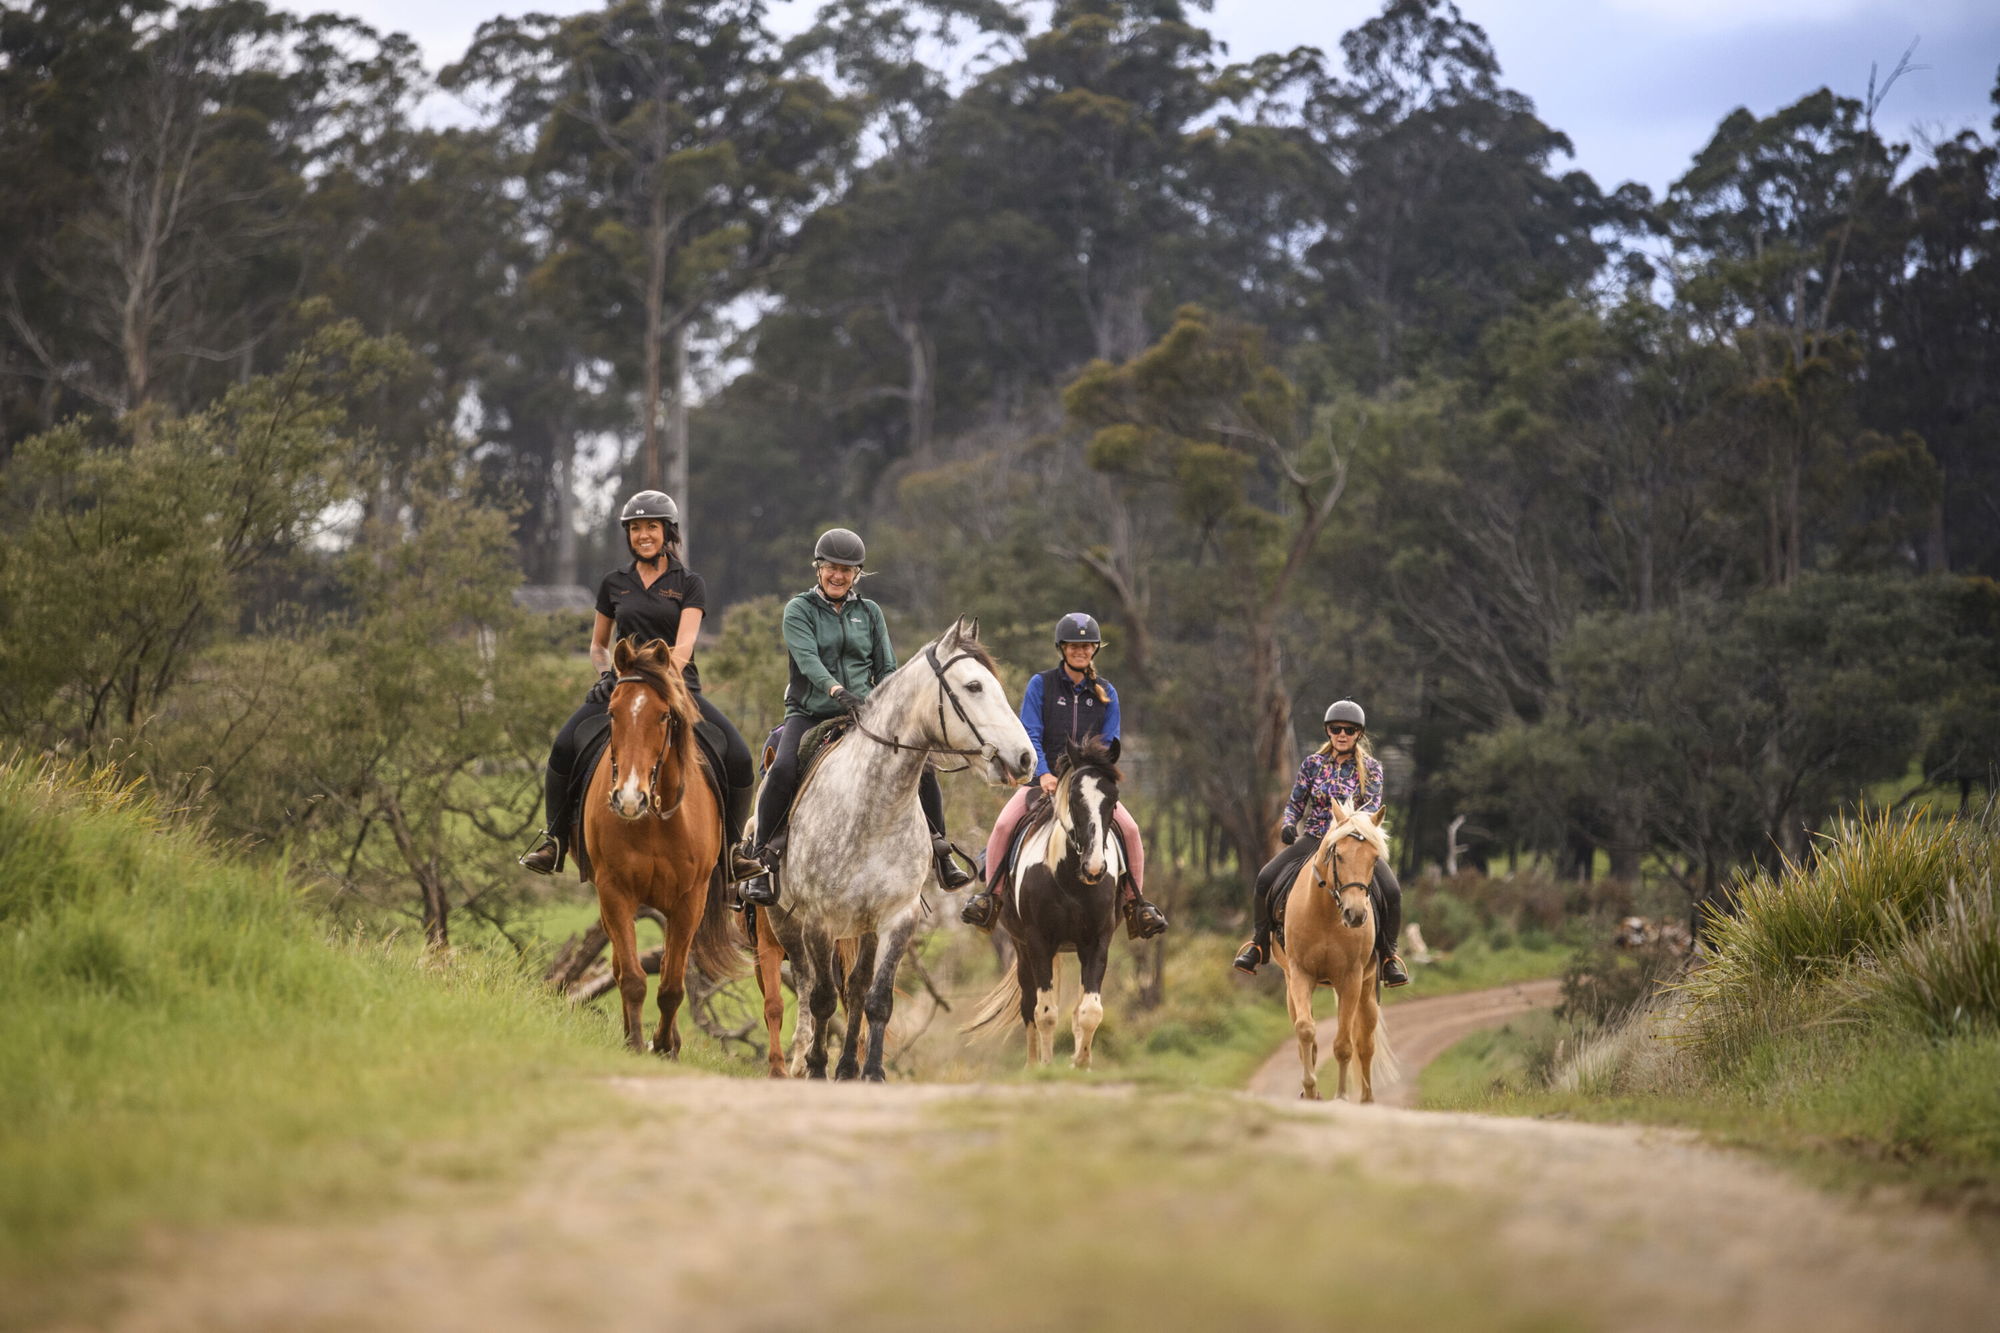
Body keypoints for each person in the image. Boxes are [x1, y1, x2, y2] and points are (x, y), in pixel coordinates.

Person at [519, 491, 762, 882]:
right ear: (628, 535)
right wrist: (606, 674)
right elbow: (599, 646)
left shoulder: (689, 583)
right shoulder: (613, 583)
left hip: (678, 690)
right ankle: (555, 841)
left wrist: (662, 679)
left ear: (667, 532)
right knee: (563, 747)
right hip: (623, 688)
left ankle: (733, 851)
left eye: (651, 527)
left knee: (738, 755)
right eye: (635, 528)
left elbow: (683, 645)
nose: (643, 534)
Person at [747, 527, 973, 904]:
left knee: (922, 766)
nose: (838, 576)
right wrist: (837, 691)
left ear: (857, 574)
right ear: (818, 568)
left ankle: (940, 850)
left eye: (846, 570)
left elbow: (887, 667)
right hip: (810, 712)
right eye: (831, 568)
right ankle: (763, 860)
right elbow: (808, 661)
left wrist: (889, 704)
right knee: (783, 768)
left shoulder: (869, 612)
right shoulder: (799, 610)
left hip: (866, 713)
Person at [959, 613, 1168, 940]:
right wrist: (1043, 773)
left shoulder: (1106, 692)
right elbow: (1031, 732)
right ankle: (991, 898)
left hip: (1088, 787)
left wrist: (1088, 779)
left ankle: (1136, 905)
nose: (1080, 651)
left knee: (1130, 830)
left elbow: (1109, 743)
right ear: (1062, 648)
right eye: (1073, 646)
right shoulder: (1041, 685)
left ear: (1094, 649)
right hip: (1043, 783)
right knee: (1002, 827)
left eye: (1086, 646)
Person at [1231, 699, 1408, 986]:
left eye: (1349, 730)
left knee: (1392, 891)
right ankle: (1259, 945)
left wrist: (1348, 834)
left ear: (1359, 734)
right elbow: (1296, 803)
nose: (1342, 734)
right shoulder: (1312, 765)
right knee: (1265, 878)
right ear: (1328, 731)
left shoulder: (1372, 769)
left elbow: (1370, 811)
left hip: (1353, 845)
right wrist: (1289, 824)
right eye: (1336, 729)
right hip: (1314, 838)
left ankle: (1388, 957)